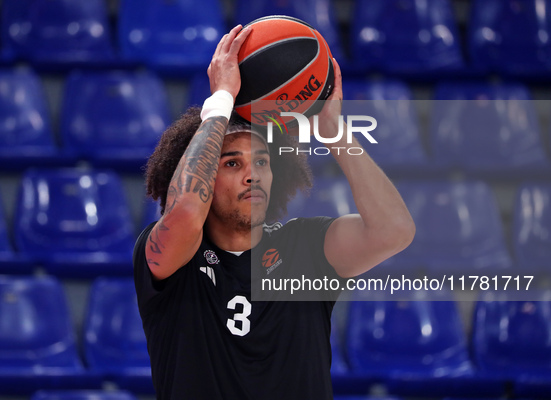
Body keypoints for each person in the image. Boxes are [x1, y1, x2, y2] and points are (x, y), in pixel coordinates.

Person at [133, 24, 416, 399]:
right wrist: (220, 100)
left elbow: (394, 231)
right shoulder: (173, 256)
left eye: (262, 161)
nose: (253, 175)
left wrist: (333, 130)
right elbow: (184, 210)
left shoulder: (307, 247)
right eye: (232, 164)